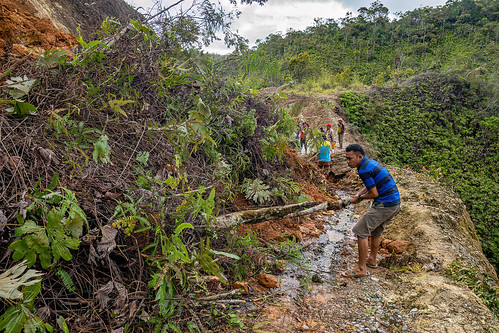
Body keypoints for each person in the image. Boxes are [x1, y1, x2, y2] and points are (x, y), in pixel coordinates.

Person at [343, 144, 401, 278]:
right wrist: (358, 194)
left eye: (350, 158)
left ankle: (361, 268)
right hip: (394, 203)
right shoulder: (369, 163)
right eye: (346, 159)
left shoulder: (363, 170)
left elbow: (373, 193)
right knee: (376, 230)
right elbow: (371, 186)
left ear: (359, 157)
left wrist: (360, 198)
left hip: (385, 203)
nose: (348, 162)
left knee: (360, 230)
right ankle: (372, 260)